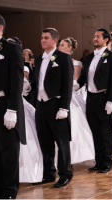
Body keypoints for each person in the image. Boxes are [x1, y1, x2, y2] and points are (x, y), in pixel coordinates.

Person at [31, 28, 74, 188]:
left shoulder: (63, 58)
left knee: (62, 143)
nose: (43, 40)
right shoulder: (39, 59)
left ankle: (65, 174)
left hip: (57, 105)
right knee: (45, 142)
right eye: (41, 37)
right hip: (41, 105)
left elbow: (68, 85)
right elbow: (38, 81)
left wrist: (64, 108)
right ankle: (48, 174)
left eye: (46, 38)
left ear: (55, 40)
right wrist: (29, 88)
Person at [74, 28, 112, 173]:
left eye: (98, 36)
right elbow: (83, 78)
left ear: (106, 39)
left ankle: (107, 161)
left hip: (104, 97)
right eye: (94, 36)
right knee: (95, 132)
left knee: (105, 132)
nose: (95, 38)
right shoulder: (89, 57)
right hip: (91, 98)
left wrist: (111, 101)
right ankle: (99, 161)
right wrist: (75, 85)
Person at [0, 14, 26, 200]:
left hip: (6, 105)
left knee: (8, 151)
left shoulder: (11, 48)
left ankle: (10, 190)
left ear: (0, 27)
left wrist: (12, 110)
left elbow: (17, 82)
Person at [58, 37, 95, 164]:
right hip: (56, 95)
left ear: (69, 48)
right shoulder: (55, 60)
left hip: (70, 94)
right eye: (59, 44)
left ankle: (73, 155)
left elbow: (76, 81)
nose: (59, 47)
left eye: (62, 45)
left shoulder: (75, 63)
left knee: (74, 124)